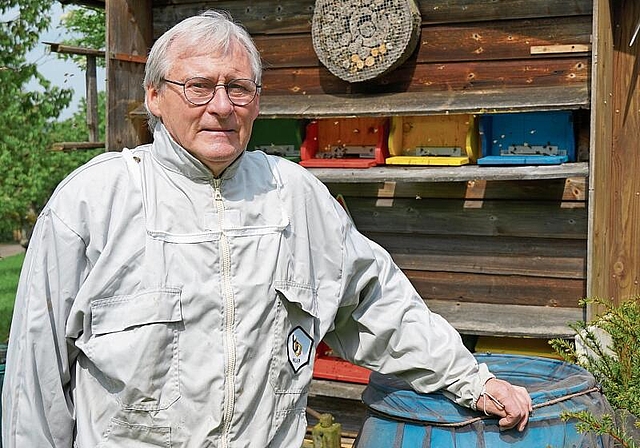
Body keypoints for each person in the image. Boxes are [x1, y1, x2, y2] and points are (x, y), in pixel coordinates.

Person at [1, 10, 531, 448]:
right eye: (199, 87)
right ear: (155, 98)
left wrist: (471, 380)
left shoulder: (295, 196)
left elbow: (378, 304)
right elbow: (36, 376)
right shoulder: (94, 202)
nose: (222, 106)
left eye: (239, 88)